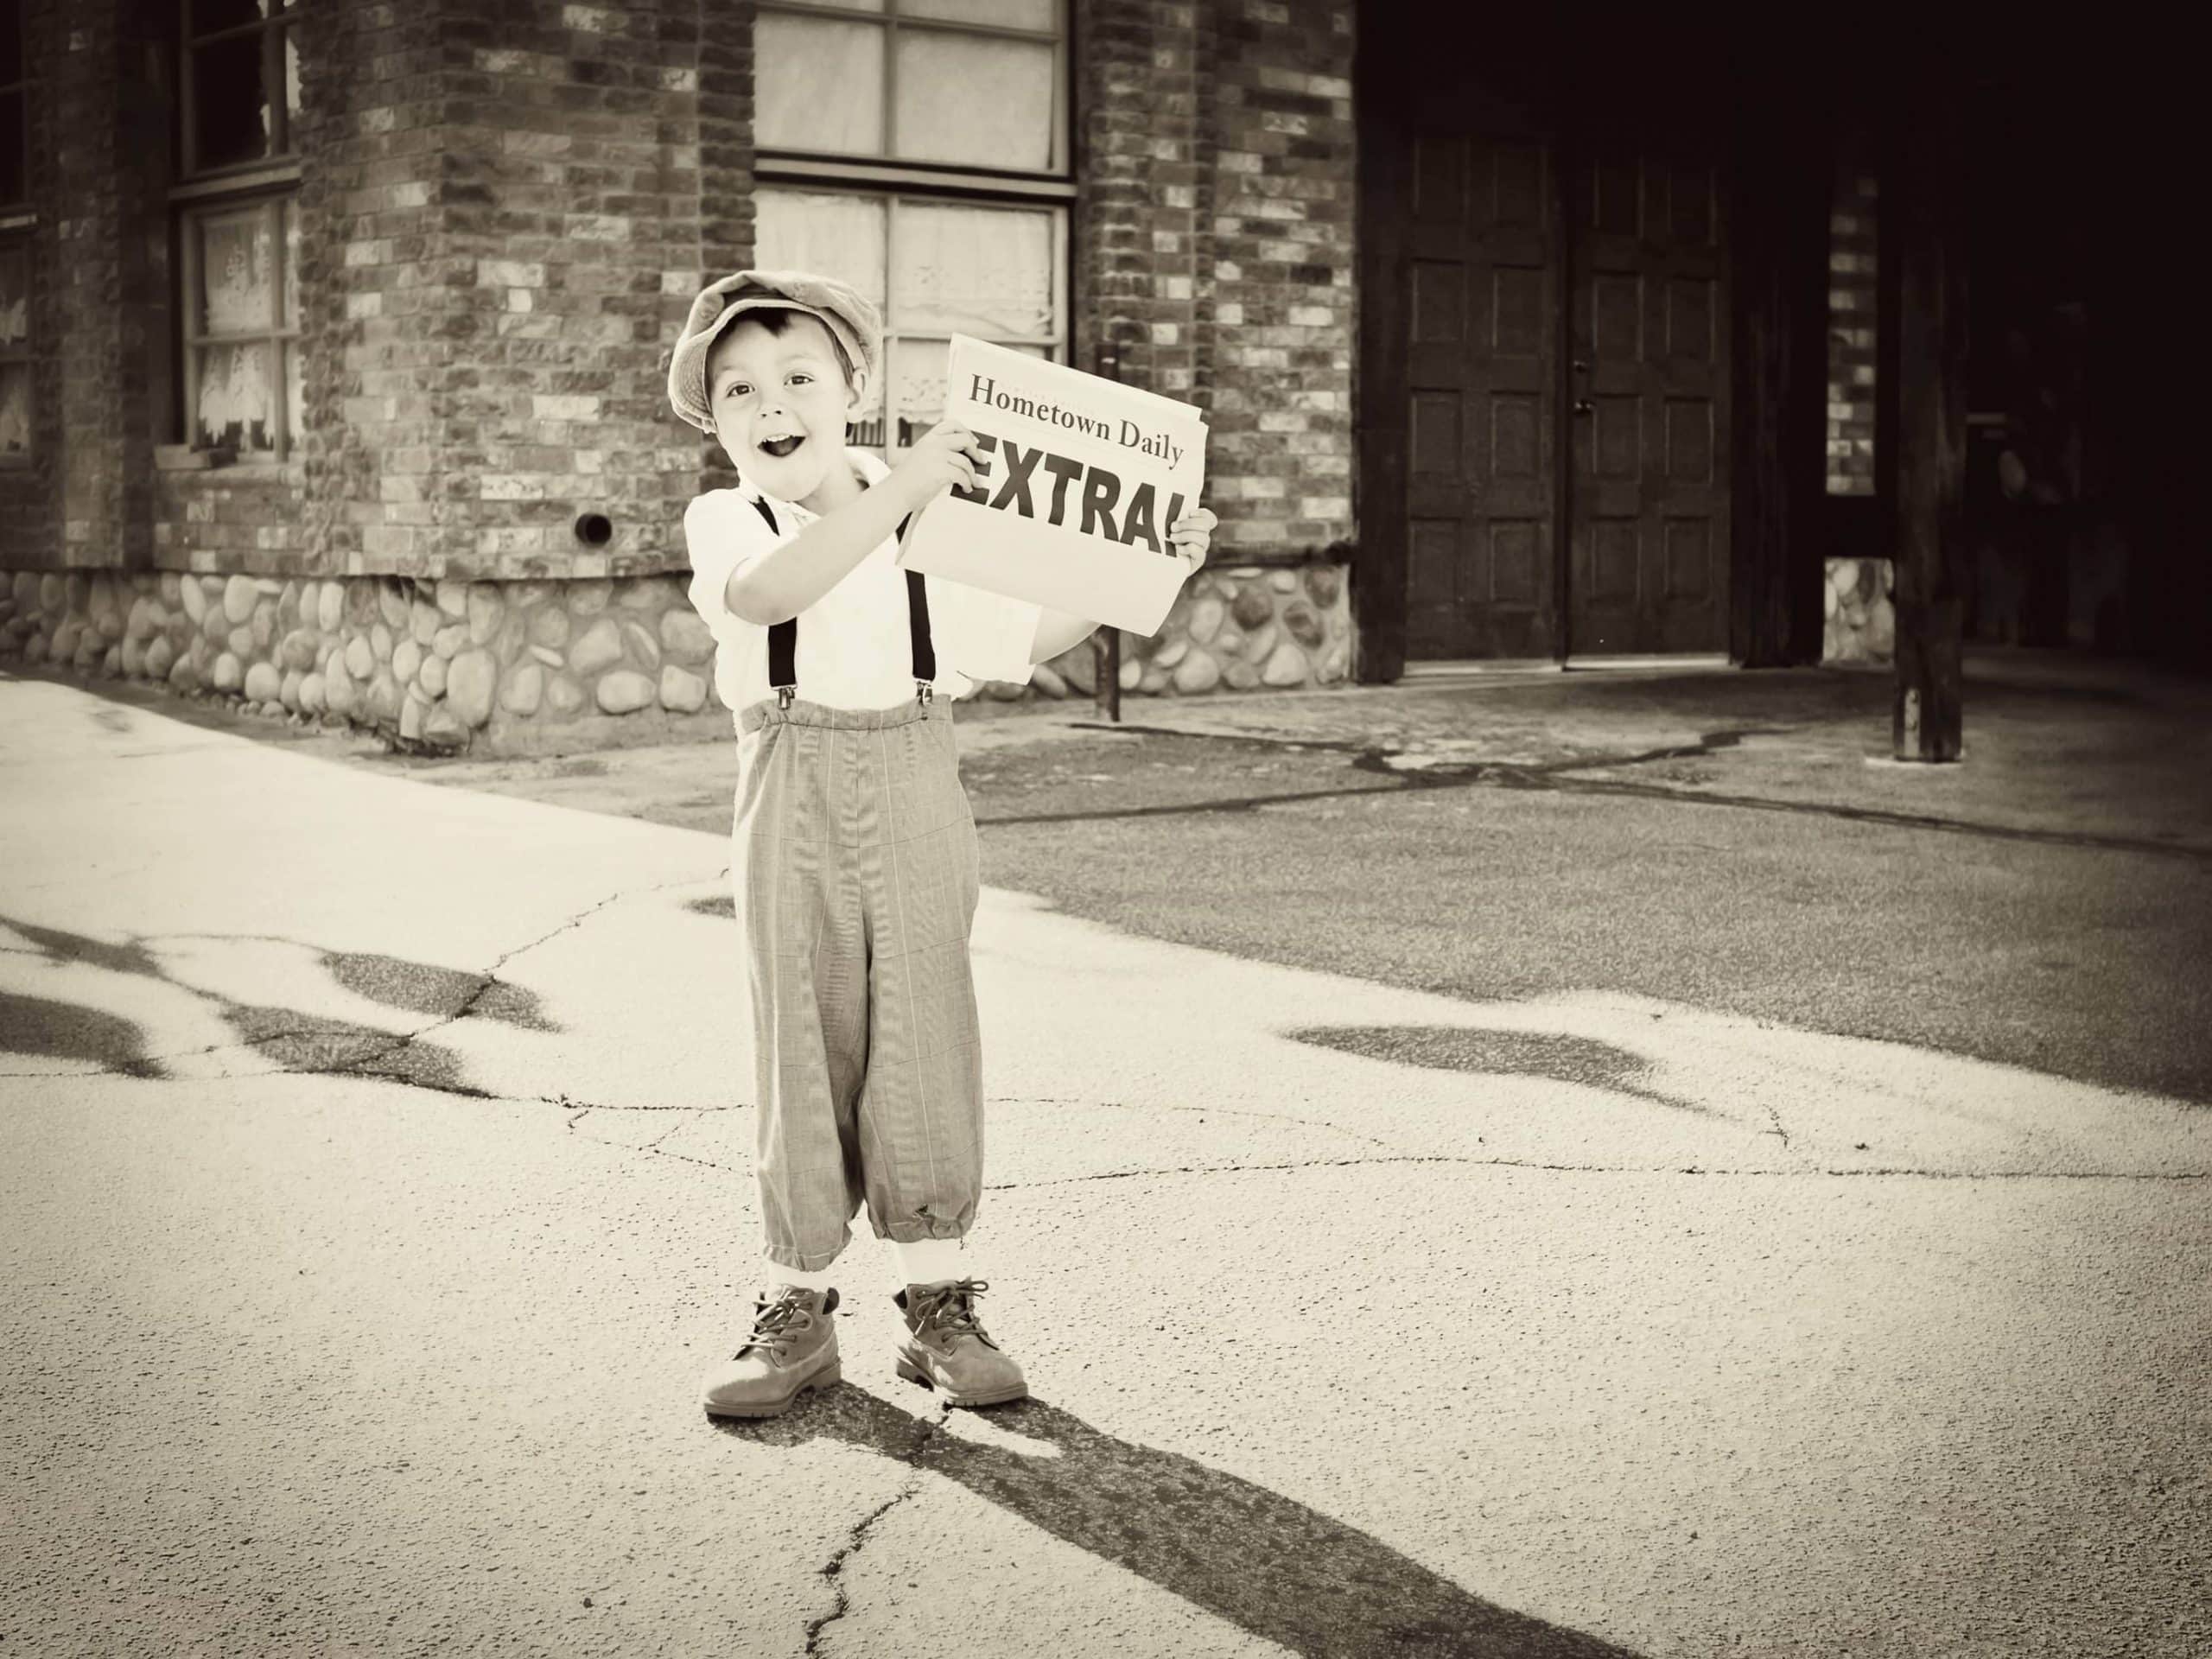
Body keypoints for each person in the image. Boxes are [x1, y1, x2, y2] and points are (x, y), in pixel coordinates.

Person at [665, 269, 1215, 1419]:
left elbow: (1022, 631)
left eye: (799, 377)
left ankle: (937, 1304)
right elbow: (769, 597)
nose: (772, 405)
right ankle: (795, 1309)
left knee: (922, 1039)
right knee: (802, 1044)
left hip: (916, 777)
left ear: (853, 388)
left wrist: (1150, 561)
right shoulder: (731, 520)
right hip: (789, 789)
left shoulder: (926, 518)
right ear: (714, 421)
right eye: (738, 390)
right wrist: (904, 482)